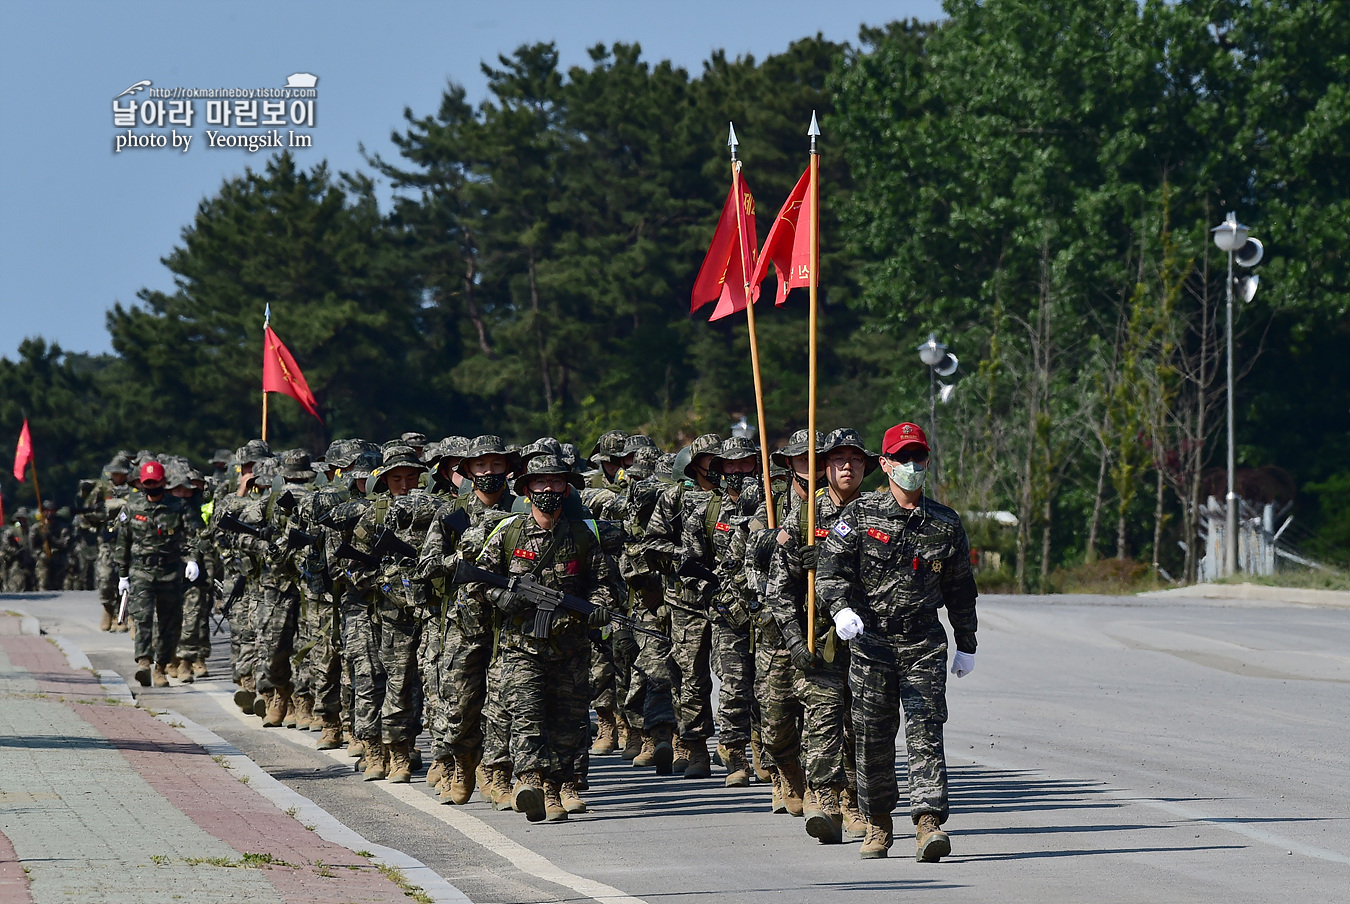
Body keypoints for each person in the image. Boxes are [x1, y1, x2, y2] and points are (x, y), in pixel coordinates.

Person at [815, 422, 978, 862]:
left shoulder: (945, 523)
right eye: (902, 458)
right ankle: (877, 824)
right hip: (872, 644)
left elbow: (961, 589)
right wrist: (840, 609)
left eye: (918, 457)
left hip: (923, 642)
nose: (911, 466)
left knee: (926, 728)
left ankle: (929, 823)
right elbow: (830, 571)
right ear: (884, 464)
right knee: (872, 735)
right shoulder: (860, 516)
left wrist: (967, 643)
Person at [466, 453, 624, 821]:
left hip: (571, 647)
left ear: (566, 488)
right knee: (527, 716)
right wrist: (504, 597)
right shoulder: (509, 533)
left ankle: (560, 787)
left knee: (568, 722)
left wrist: (598, 606)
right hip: (521, 646)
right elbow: (476, 579)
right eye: (541, 482)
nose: (549, 489)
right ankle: (531, 783)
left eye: (555, 482)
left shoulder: (583, 535)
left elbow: (607, 583)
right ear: (527, 488)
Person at [114, 460, 203, 688]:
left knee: (169, 623)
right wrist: (123, 575)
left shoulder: (178, 506)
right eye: (147, 483)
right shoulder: (132, 507)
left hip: (170, 571)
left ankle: (161, 668)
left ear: (163, 482)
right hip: (142, 571)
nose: (151, 487)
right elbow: (123, 542)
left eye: (155, 482)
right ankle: (143, 662)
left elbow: (194, 534)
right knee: (143, 618)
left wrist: (192, 559)